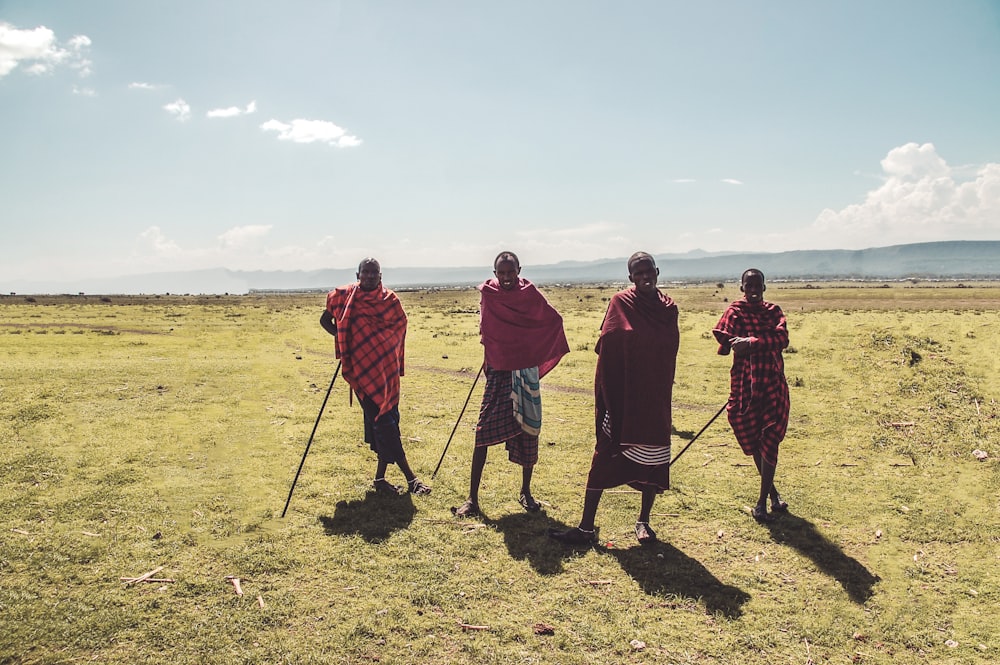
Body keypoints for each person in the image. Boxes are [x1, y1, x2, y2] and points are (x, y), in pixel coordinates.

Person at [549, 252, 678, 546]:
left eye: (649, 271)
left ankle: (643, 522)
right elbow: (608, 343)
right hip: (622, 396)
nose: (645, 277)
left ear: (657, 272)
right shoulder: (621, 302)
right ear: (630, 277)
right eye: (638, 273)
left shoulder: (669, 309)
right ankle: (585, 528)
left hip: (654, 397)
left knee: (653, 458)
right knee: (604, 457)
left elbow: (668, 349)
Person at [451, 251, 570, 517]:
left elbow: (552, 320)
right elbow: (486, 328)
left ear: (519, 270)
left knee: (529, 431)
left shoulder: (529, 293)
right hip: (497, 370)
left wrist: (533, 348)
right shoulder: (488, 294)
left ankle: (526, 491)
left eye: (510, 272)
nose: (506, 277)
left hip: (524, 371)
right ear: (494, 273)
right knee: (482, 433)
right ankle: (473, 499)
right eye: (501, 273)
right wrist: (491, 345)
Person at [320, 258, 431, 496]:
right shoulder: (344, 297)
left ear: (381, 276)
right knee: (384, 424)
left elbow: (400, 327)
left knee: (389, 419)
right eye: (366, 272)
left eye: (375, 273)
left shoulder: (390, 301)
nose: (370, 276)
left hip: (386, 372)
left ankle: (380, 479)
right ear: (358, 274)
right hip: (361, 372)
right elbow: (325, 320)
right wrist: (344, 340)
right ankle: (412, 479)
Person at [712, 268, 790, 523]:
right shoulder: (736, 311)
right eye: (749, 285)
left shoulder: (774, 311)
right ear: (742, 287)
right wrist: (734, 343)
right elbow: (722, 334)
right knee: (752, 436)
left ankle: (761, 503)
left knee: (770, 437)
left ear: (764, 287)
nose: (754, 289)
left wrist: (751, 343)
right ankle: (773, 493)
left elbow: (782, 338)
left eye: (758, 285)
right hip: (744, 385)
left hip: (772, 383)